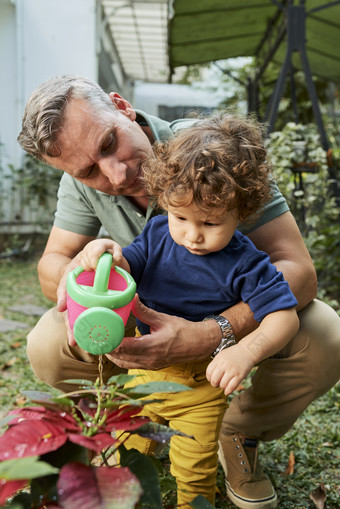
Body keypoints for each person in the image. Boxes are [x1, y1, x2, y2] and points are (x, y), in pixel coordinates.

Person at [17, 75, 340, 509]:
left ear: (122, 106)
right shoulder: (94, 192)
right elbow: (51, 265)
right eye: (89, 170)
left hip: (229, 321)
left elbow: (298, 272)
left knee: (325, 334)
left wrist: (214, 333)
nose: (116, 173)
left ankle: (237, 431)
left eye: (110, 142)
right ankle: (124, 419)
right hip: (144, 325)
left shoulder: (215, 156)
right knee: (47, 341)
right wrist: (90, 269)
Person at [77, 112, 300, 508]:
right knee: (125, 449)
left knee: (193, 467)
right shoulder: (159, 233)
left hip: (200, 385)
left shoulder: (246, 263)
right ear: (166, 201)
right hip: (142, 377)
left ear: (242, 211)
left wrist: (246, 350)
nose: (193, 235)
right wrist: (106, 253)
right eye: (181, 217)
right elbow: (128, 267)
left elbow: (285, 315)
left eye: (211, 223)